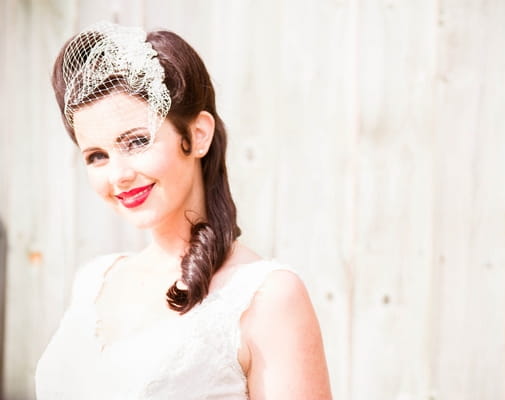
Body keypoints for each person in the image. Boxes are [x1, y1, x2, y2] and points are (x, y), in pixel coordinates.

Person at [35, 21, 332, 399]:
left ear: (197, 136)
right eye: (97, 156)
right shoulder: (93, 280)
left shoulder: (268, 295)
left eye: (137, 141)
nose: (119, 174)